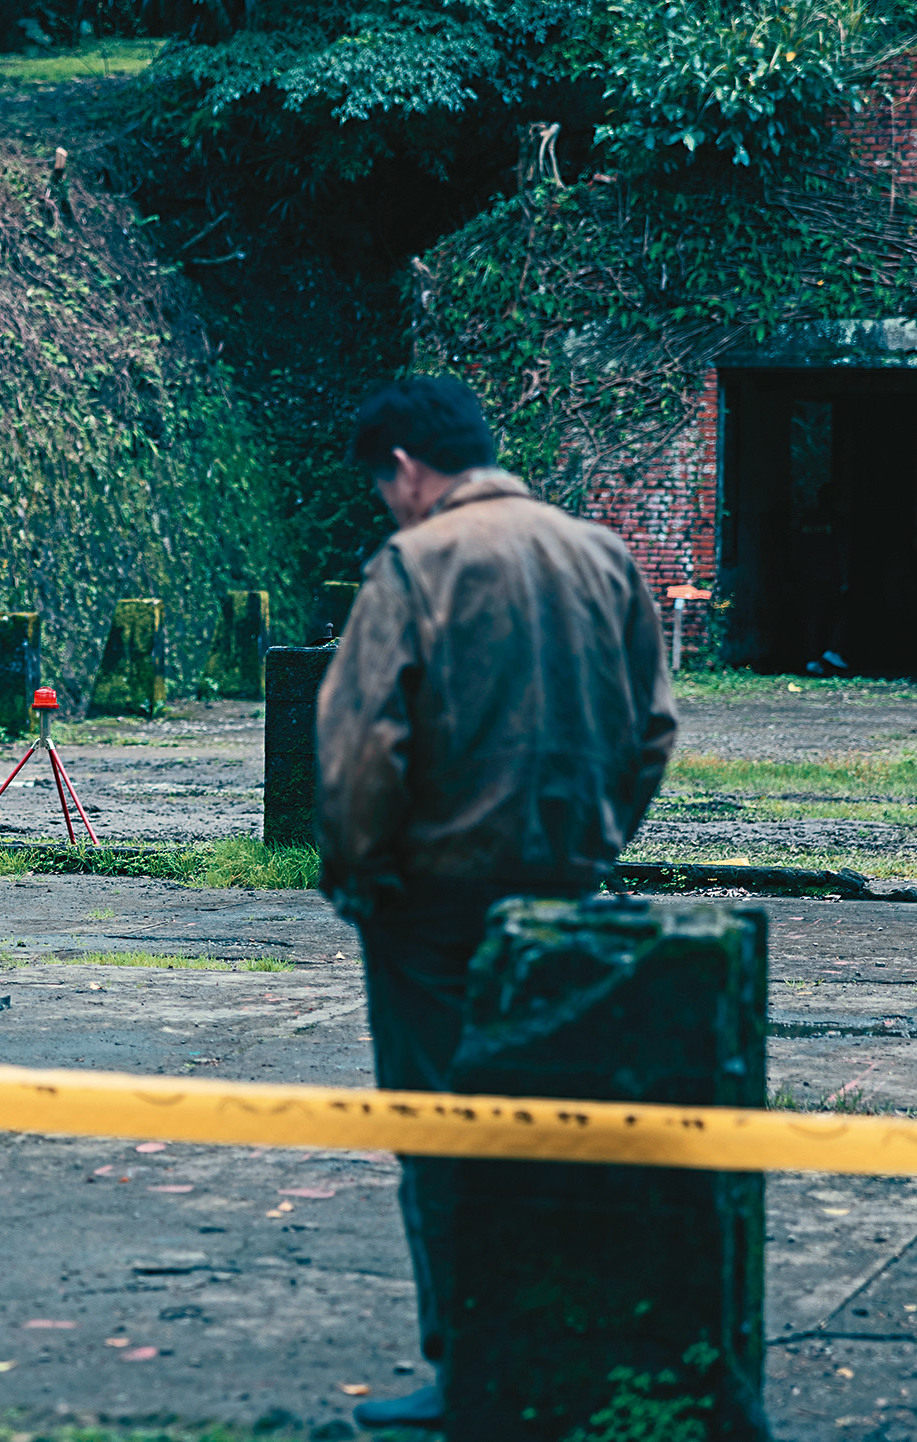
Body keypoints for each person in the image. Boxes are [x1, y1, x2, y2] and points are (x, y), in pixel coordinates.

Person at [315, 377, 676, 1430]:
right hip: (566, 889)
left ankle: (469, 1365)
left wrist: (359, 877)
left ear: (404, 468)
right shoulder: (598, 556)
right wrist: (594, 839)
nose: (386, 505)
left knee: (442, 1132)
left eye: (381, 486)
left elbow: (359, 752)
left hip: (430, 905)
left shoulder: (415, 564)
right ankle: (567, 1344)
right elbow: (650, 730)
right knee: (558, 1123)